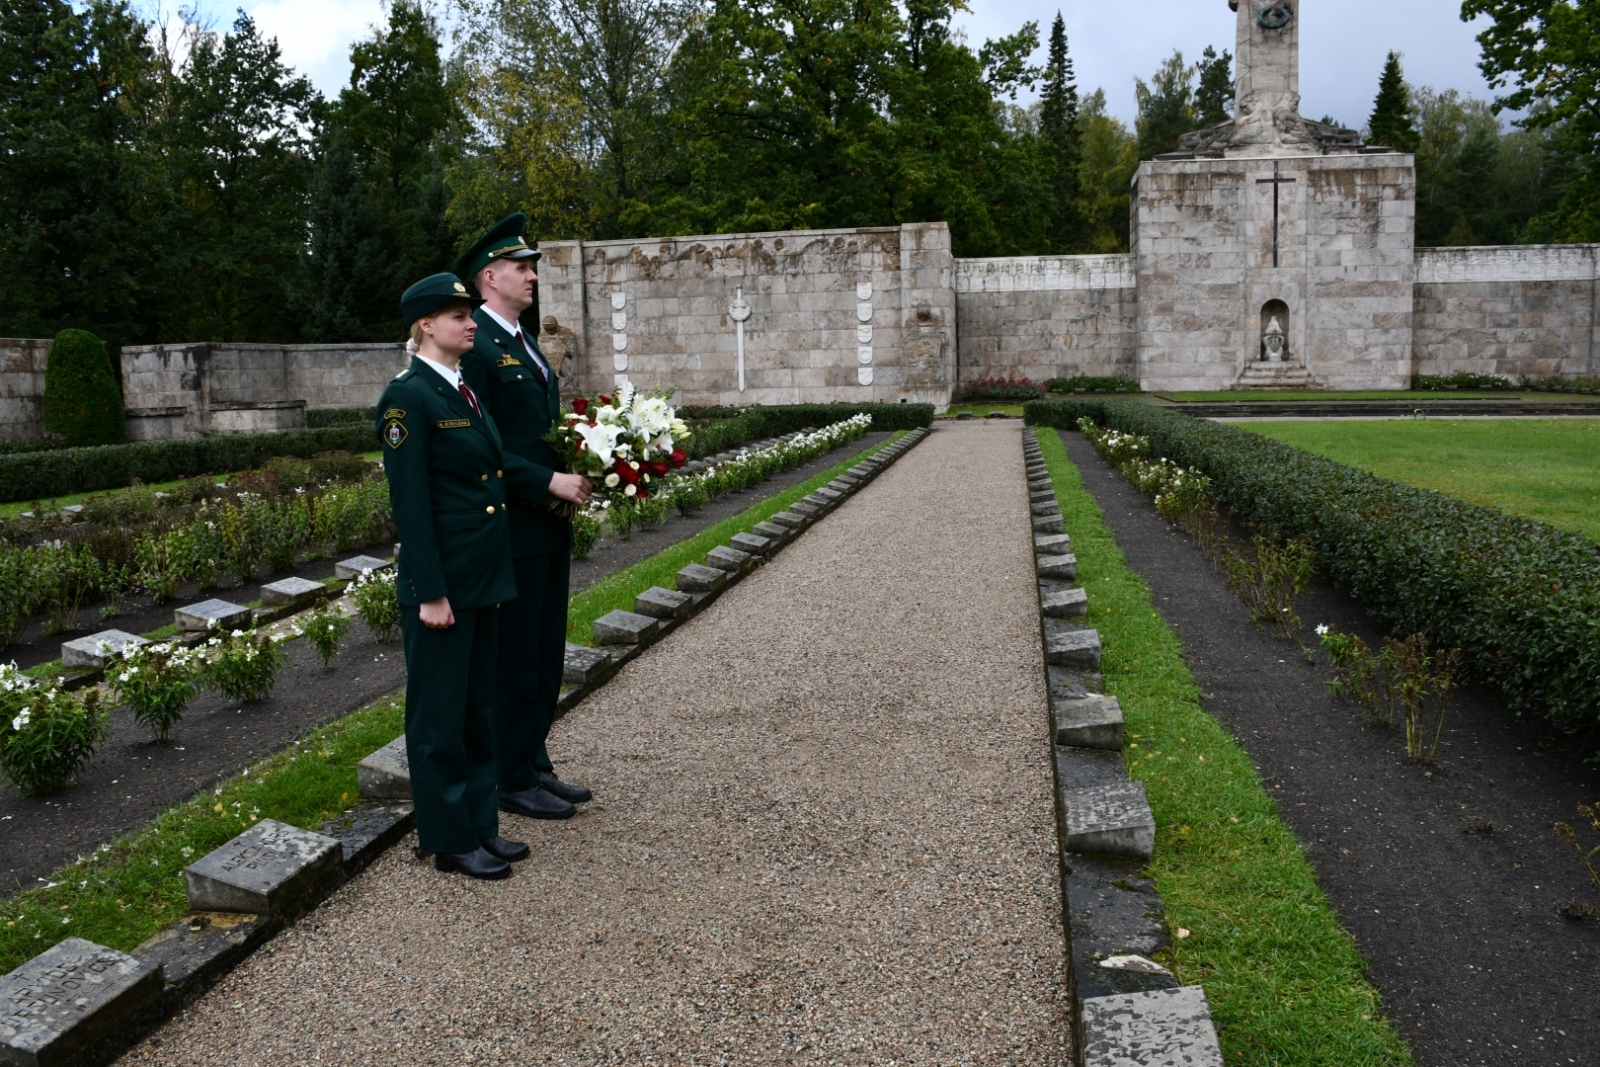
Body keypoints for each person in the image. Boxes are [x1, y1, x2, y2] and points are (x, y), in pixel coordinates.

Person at [376, 272, 530, 880]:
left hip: (480, 574)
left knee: (476, 710)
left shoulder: (461, 388)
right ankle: (447, 839)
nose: (471, 323)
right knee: (439, 717)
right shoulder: (407, 397)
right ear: (425, 325)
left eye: (470, 313)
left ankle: (479, 826)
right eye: (458, 315)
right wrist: (431, 591)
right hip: (443, 584)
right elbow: (411, 505)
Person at [455, 213, 595, 821]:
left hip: (547, 521)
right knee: (515, 658)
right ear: (491, 276)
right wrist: (547, 479)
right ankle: (511, 776)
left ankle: (534, 760)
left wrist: (590, 454)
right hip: (512, 523)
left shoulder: (520, 339)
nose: (532, 274)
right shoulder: (477, 343)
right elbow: (479, 443)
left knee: (543, 650)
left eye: (531, 265)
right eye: (521, 267)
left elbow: (538, 431)